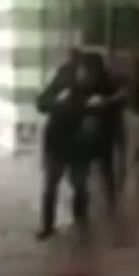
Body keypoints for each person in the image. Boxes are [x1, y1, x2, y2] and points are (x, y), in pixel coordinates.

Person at [35, 49, 101, 241]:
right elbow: (42, 103)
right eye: (82, 71)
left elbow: (110, 100)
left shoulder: (98, 84)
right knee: (51, 185)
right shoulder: (63, 80)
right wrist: (61, 104)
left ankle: (81, 225)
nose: (86, 76)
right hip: (57, 140)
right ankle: (48, 226)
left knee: (80, 186)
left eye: (89, 72)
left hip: (79, 144)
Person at [85, 53, 127, 217]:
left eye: (92, 68)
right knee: (91, 172)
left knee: (106, 171)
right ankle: (95, 207)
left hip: (106, 133)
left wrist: (107, 101)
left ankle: (110, 207)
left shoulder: (108, 82)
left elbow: (122, 95)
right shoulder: (87, 83)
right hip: (94, 134)